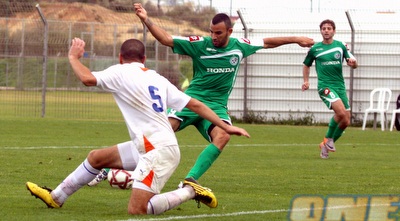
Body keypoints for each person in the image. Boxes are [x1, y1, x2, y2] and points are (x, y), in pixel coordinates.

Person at [88, 3, 314, 187]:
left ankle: (190, 180)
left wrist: (295, 39)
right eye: (211, 32)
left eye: (218, 33)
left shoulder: (239, 46)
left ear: (229, 32)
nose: (213, 36)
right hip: (190, 101)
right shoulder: (200, 45)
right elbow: (167, 39)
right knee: (158, 133)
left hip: (215, 107)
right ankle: (110, 167)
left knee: (223, 137)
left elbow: (267, 42)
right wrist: (146, 19)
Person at [26, 38, 250, 215]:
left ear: (120, 57)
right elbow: (195, 104)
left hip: (158, 151)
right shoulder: (157, 78)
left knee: (137, 210)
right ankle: (56, 198)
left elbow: (86, 78)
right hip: (149, 145)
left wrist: (73, 57)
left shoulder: (120, 71)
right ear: (144, 58)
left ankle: (190, 191)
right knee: (96, 158)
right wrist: (225, 126)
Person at [301, 19, 358, 159]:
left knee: (346, 121)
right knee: (340, 112)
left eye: (329, 28)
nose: (326, 30)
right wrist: (306, 81)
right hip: (325, 86)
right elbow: (306, 65)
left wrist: (353, 63)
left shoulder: (341, 46)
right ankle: (328, 139)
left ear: (334, 31)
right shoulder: (315, 49)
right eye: (324, 28)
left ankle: (325, 145)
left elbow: (353, 63)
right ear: (321, 31)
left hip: (339, 86)